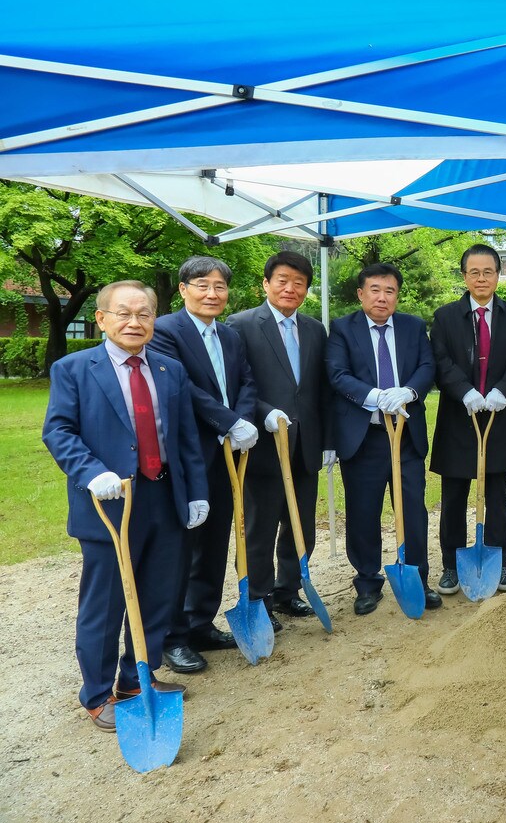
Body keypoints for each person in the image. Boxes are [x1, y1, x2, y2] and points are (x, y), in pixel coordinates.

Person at [42, 281, 208, 731]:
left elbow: (186, 437)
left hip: (163, 496)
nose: (134, 322)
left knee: (158, 595)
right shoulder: (74, 369)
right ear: (101, 319)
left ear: (155, 319)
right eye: (124, 313)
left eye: (144, 314)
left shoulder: (169, 369)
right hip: (108, 502)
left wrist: (196, 491)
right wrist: (91, 471)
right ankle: (96, 694)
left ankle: (137, 679)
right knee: (107, 601)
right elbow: (58, 431)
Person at [149, 257, 259, 674]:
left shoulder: (229, 336)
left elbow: (246, 381)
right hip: (186, 455)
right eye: (202, 285)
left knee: (214, 543)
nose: (212, 294)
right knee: (183, 548)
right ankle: (172, 637)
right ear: (183, 289)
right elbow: (183, 388)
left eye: (219, 287)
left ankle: (200, 623)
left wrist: (243, 421)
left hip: (225, 453)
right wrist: (228, 421)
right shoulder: (164, 332)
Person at [227, 251, 334, 628]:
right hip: (261, 444)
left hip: (305, 444)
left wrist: (327, 439)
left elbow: (319, 388)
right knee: (260, 527)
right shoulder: (240, 325)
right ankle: (257, 599)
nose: (291, 288)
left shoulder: (314, 329)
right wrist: (263, 412)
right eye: (283, 281)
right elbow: (235, 383)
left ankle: (287, 591)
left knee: (300, 524)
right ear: (266, 284)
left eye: (299, 283)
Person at [326, 262, 438, 615]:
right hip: (365, 436)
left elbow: (427, 367)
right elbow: (337, 374)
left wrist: (407, 392)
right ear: (361, 294)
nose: (382, 297)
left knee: (412, 510)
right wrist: (376, 396)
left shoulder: (413, 326)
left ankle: (418, 577)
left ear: (397, 296)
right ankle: (368, 582)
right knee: (363, 511)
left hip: (405, 435)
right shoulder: (343, 329)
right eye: (374, 290)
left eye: (389, 291)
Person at [429, 244, 506, 595]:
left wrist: (504, 390)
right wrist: (464, 391)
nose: (481, 278)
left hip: (499, 417)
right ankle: (451, 564)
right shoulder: (445, 316)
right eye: (474, 272)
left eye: (488, 272)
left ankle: (499, 562)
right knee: (454, 494)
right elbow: (440, 361)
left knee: (497, 494)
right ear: (464, 276)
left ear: (499, 275)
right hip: (459, 418)